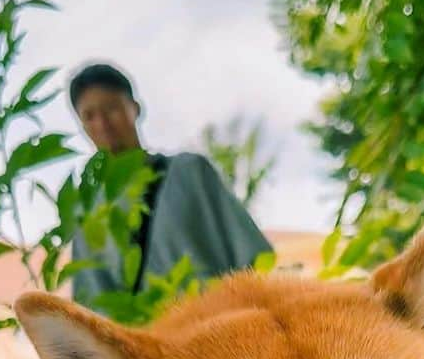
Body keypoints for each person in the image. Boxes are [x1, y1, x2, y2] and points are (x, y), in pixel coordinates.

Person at [67, 63, 272, 305]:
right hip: (150, 340)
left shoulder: (190, 172)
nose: (102, 124)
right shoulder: (88, 218)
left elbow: (254, 258)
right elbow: (93, 310)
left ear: (135, 108)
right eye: (89, 116)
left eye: (111, 108)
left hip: (223, 326)